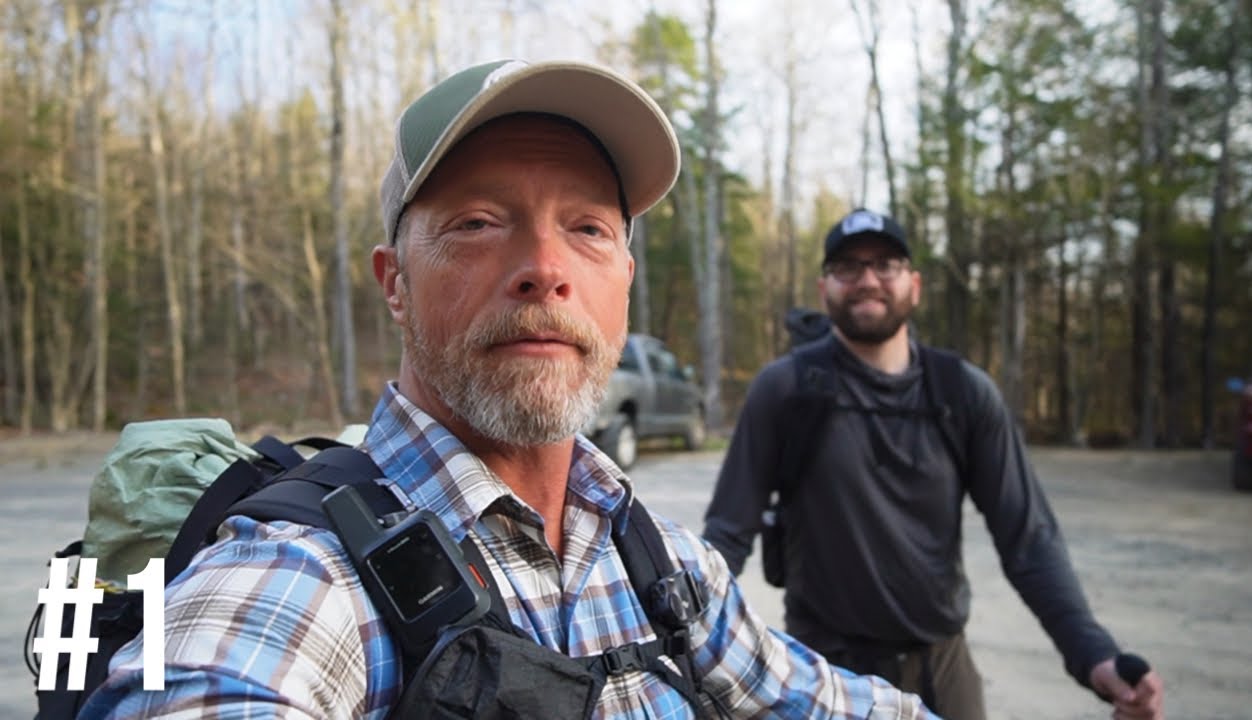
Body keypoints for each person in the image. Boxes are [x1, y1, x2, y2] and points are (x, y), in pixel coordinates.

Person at [79, 61, 938, 719]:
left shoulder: (662, 563)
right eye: (479, 223)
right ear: (395, 283)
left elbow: (819, 698)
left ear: (625, 282)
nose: (544, 270)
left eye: (588, 229)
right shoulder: (304, 572)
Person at [702, 208, 1167, 720]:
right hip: (821, 674)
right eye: (848, 268)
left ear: (915, 284)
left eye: (886, 264)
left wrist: (1093, 653)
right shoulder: (785, 390)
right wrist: (688, 640)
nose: (867, 280)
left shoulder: (964, 393)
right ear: (824, 288)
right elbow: (727, 534)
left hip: (941, 672)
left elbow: (1029, 540)